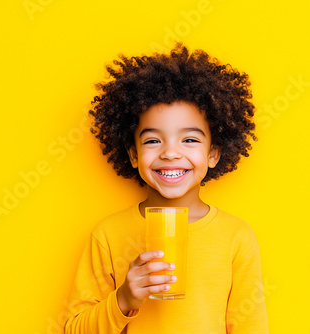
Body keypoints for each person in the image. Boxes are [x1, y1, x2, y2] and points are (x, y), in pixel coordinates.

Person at [64, 44, 268, 333]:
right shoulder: (108, 235)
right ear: (133, 155)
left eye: (190, 140)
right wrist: (124, 298)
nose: (170, 153)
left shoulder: (237, 237)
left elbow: (251, 327)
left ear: (213, 154)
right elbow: (74, 330)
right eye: (152, 141)